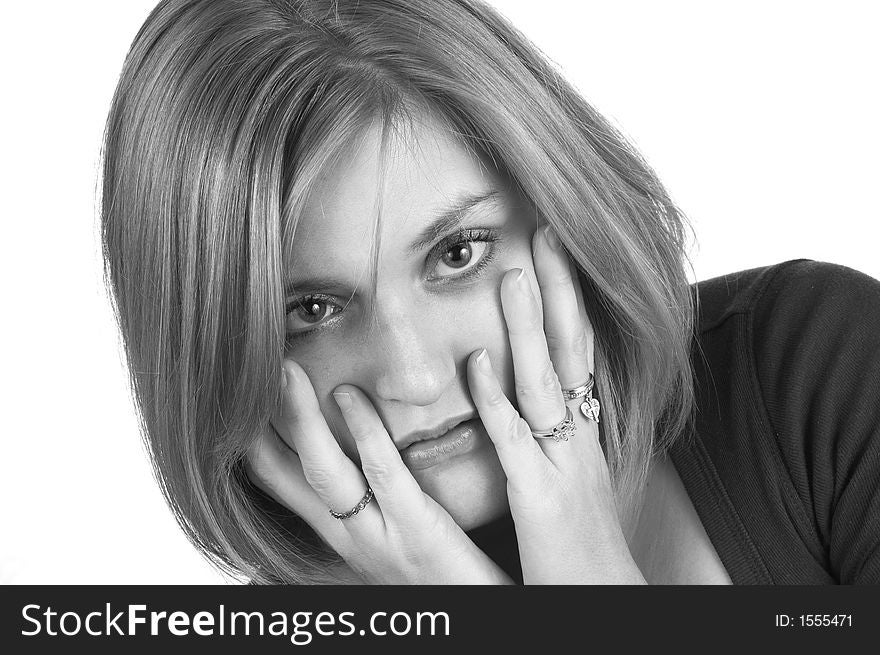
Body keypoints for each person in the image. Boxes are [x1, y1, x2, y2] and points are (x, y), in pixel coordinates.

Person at [100, 0, 880, 584]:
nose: (415, 378)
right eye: (309, 311)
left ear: (559, 206)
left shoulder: (816, 375)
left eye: (457, 252)